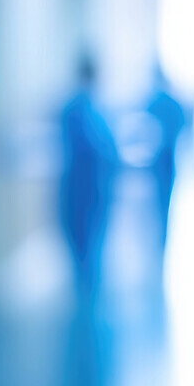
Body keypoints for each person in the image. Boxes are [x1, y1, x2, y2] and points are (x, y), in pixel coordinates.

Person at [58, 57, 119, 303]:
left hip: (82, 186)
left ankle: (86, 284)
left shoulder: (75, 109)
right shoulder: (93, 111)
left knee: (84, 240)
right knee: (87, 239)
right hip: (88, 186)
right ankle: (86, 284)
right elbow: (104, 148)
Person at [145, 76, 186, 249]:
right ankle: (162, 232)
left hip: (160, 159)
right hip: (167, 158)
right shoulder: (172, 103)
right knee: (165, 198)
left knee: (158, 198)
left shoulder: (155, 103)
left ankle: (158, 234)